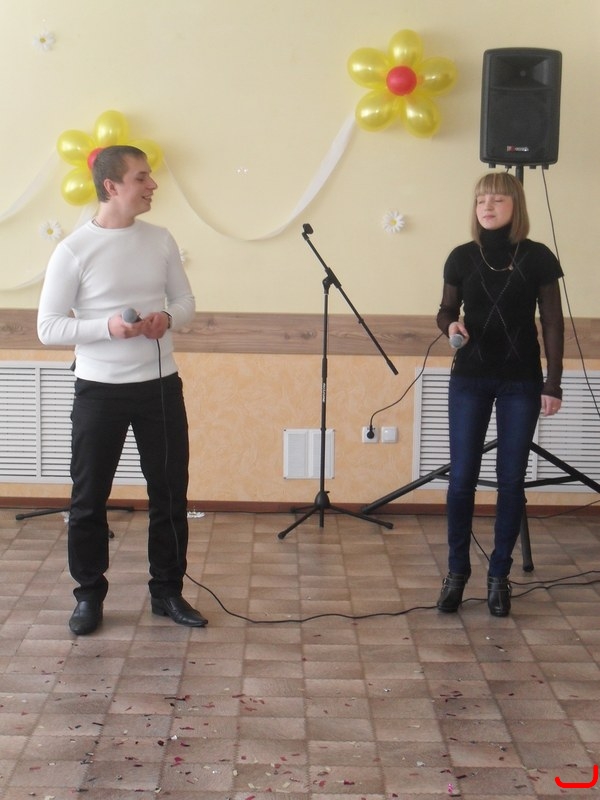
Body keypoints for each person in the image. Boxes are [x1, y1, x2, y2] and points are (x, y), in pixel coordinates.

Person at [37, 145, 207, 635]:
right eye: (141, 177)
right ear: (111, 186)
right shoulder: (73, 250)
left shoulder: (160, 239)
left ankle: (167, 592)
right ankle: (88, 596)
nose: (152, 185)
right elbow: (48, 327)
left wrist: (167, 318)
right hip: (99, 391)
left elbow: (186, 301)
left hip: (160, 388)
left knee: (170, 494)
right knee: (89, 499)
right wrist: (106, 328)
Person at [435, 171, 564, 617]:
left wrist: (553, 382)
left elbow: (552, 323)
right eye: (480, 201)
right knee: (461, 479)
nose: (486, 207)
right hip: (469, 378)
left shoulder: (538, 257)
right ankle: (456, 574)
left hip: (521, 381)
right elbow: (446, 310)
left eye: (497, 200)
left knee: (511, 480)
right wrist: (450, 325)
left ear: (516, 207)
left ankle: (499, 576)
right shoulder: (461, 257)